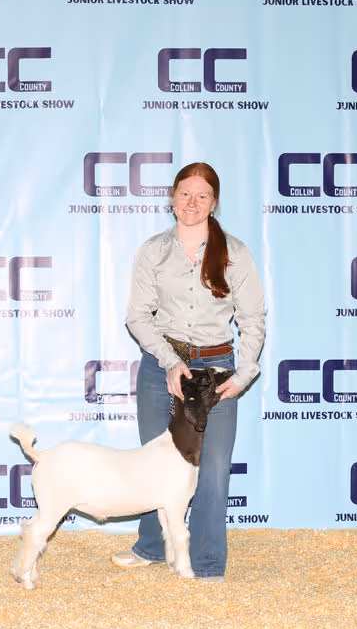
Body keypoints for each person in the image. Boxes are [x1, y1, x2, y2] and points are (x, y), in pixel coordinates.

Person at [114, 161, 266, 582]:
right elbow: (137, 317)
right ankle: (152, 546)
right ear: (172, 198)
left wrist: (243, 375)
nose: (192, 203)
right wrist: (169, 361)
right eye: (185, 193)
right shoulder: (153, 251)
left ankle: (207, 562)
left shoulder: (235, 253)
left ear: (214, 203)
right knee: (155, 462)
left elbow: (253, 320)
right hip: (162, 367)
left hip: (216, 372)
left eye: (202, 196)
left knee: (213, 467)